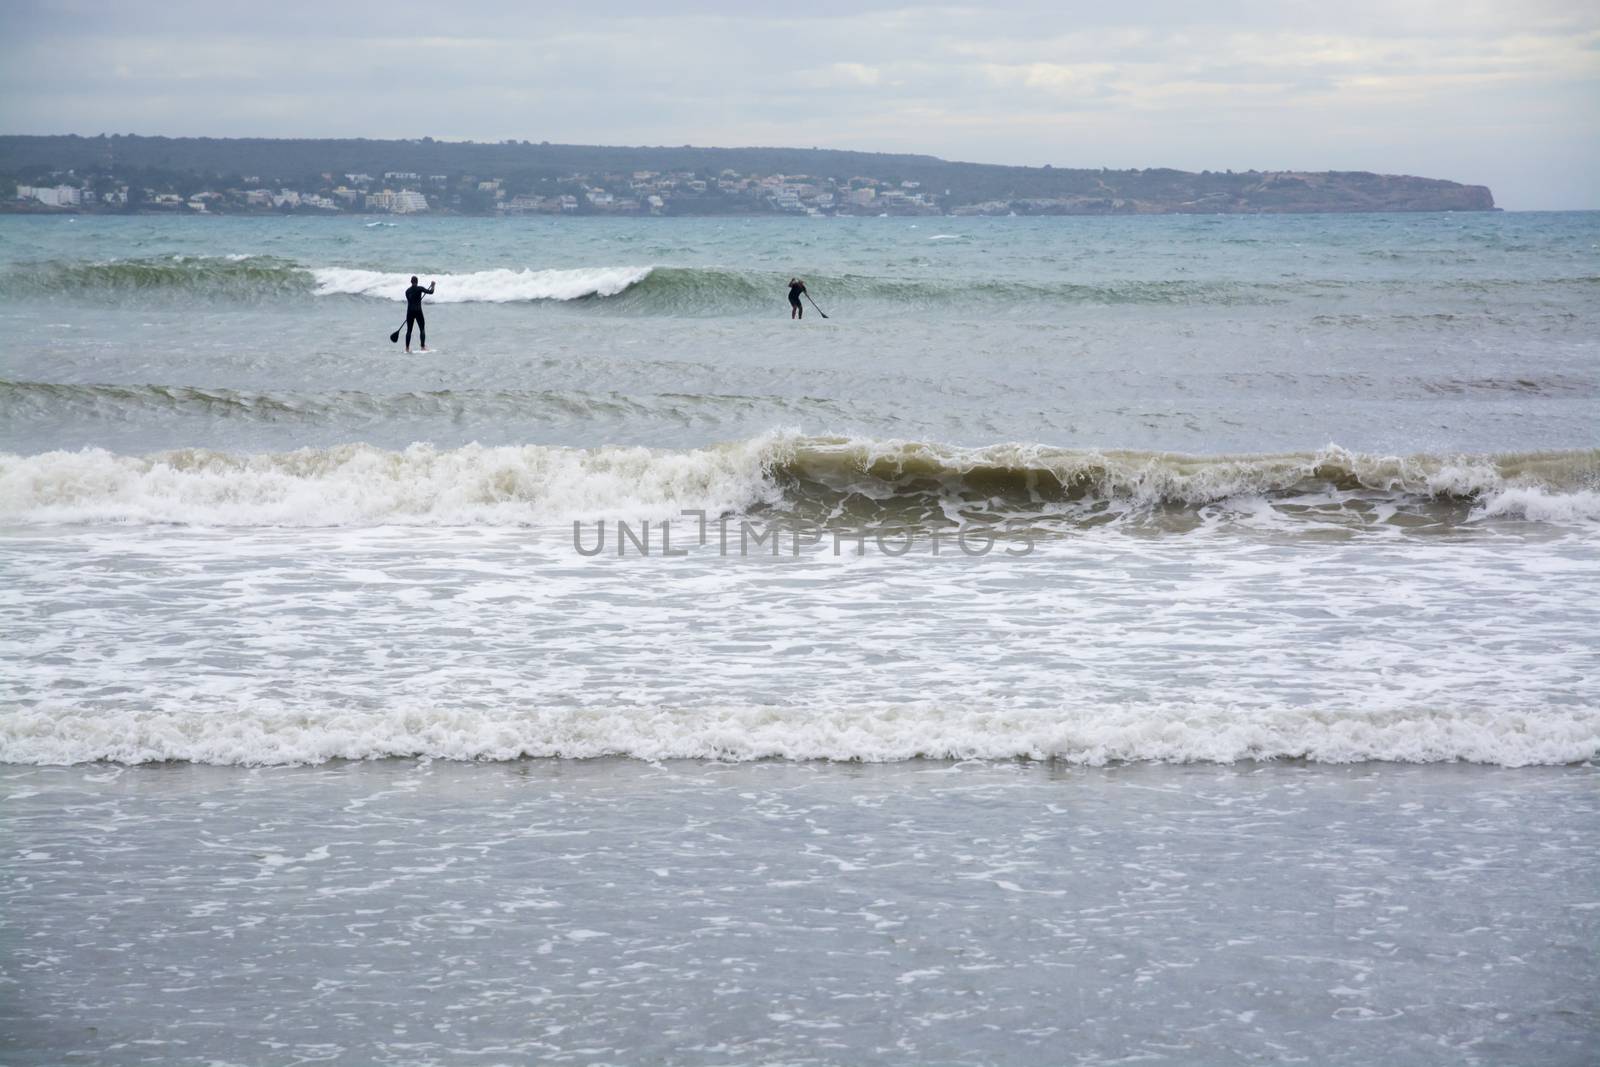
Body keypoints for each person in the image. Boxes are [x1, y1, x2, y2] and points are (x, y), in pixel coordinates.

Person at [403, 276, 435, 352]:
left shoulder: (407, 291)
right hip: (418, 311)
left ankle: (407, 348)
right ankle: (423, 347)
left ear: (411, 282)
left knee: (409, 331)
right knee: (422, 329)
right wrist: (433, 286)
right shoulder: (420, 288)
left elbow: (411, 300)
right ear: (417, 282)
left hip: (410, 312)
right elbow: (431, 292)